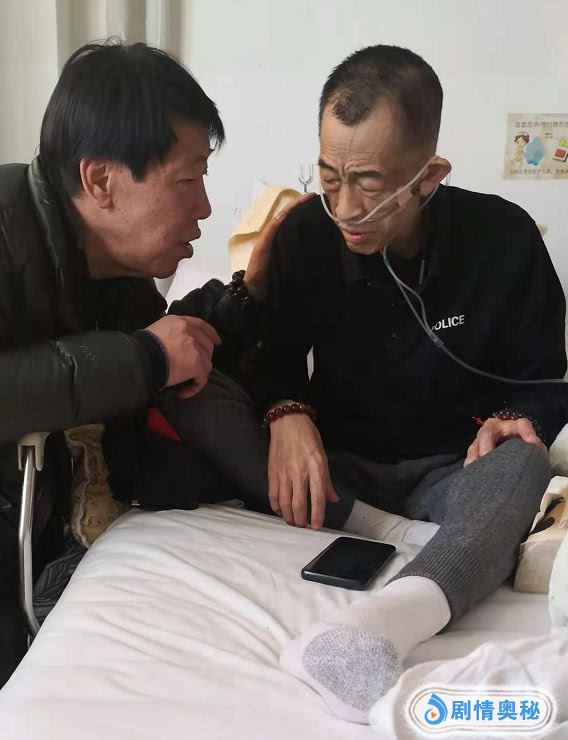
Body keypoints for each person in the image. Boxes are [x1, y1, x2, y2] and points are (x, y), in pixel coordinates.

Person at [159, 45, 567, 724]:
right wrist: (287, 410)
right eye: (329, 178)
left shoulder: (504, 239)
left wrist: (514, 419)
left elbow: (545, 383)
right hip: (333, 469)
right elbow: (274, 358)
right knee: (191, 386)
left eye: (369, 185)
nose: (345, 208)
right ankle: (386, 528)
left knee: (524, 462)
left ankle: (382, 623)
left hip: (452, 473)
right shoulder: (304, 234)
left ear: (429, 177)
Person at [0, 40, 301, 686]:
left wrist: (247, 294)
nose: (205, 208)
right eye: (187, 180)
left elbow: (170, 350)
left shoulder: (111, 270)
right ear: (100, 180)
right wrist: (145, 357)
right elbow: (135, 356)